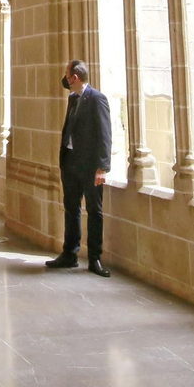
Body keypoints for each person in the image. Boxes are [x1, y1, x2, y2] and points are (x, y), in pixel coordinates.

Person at [46, 60, 112, 277]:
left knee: (94, 210)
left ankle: (95, 258)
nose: (64, 79)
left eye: (66, 74)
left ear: (74, 77)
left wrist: (102, 167)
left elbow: (105, 135)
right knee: (71, 207)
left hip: (90, 166)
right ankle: (70, 254)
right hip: (71, 162)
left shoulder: (97, 99)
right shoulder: (72, 98)